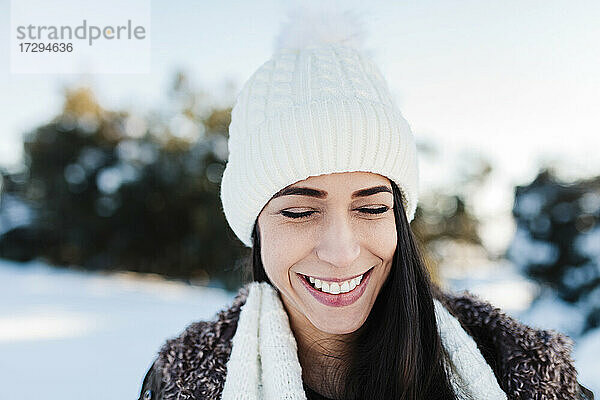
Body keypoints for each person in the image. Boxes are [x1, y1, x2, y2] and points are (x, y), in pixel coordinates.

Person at [138, 7, 594, 400]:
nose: (341, 251)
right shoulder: (182, 381)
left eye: (372, 208)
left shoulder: (523, 373)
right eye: (299, 211)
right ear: (255, 226)